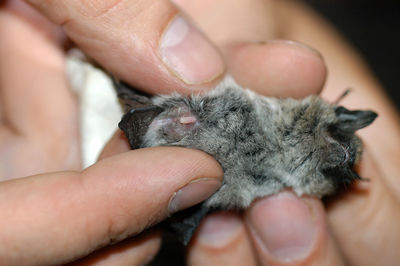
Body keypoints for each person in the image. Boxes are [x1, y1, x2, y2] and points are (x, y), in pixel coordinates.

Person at [0, 0, 399, 265]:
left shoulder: (256, 187)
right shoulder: (283, 104)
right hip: (146, 100)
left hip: (160, 136)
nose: (336, 149)